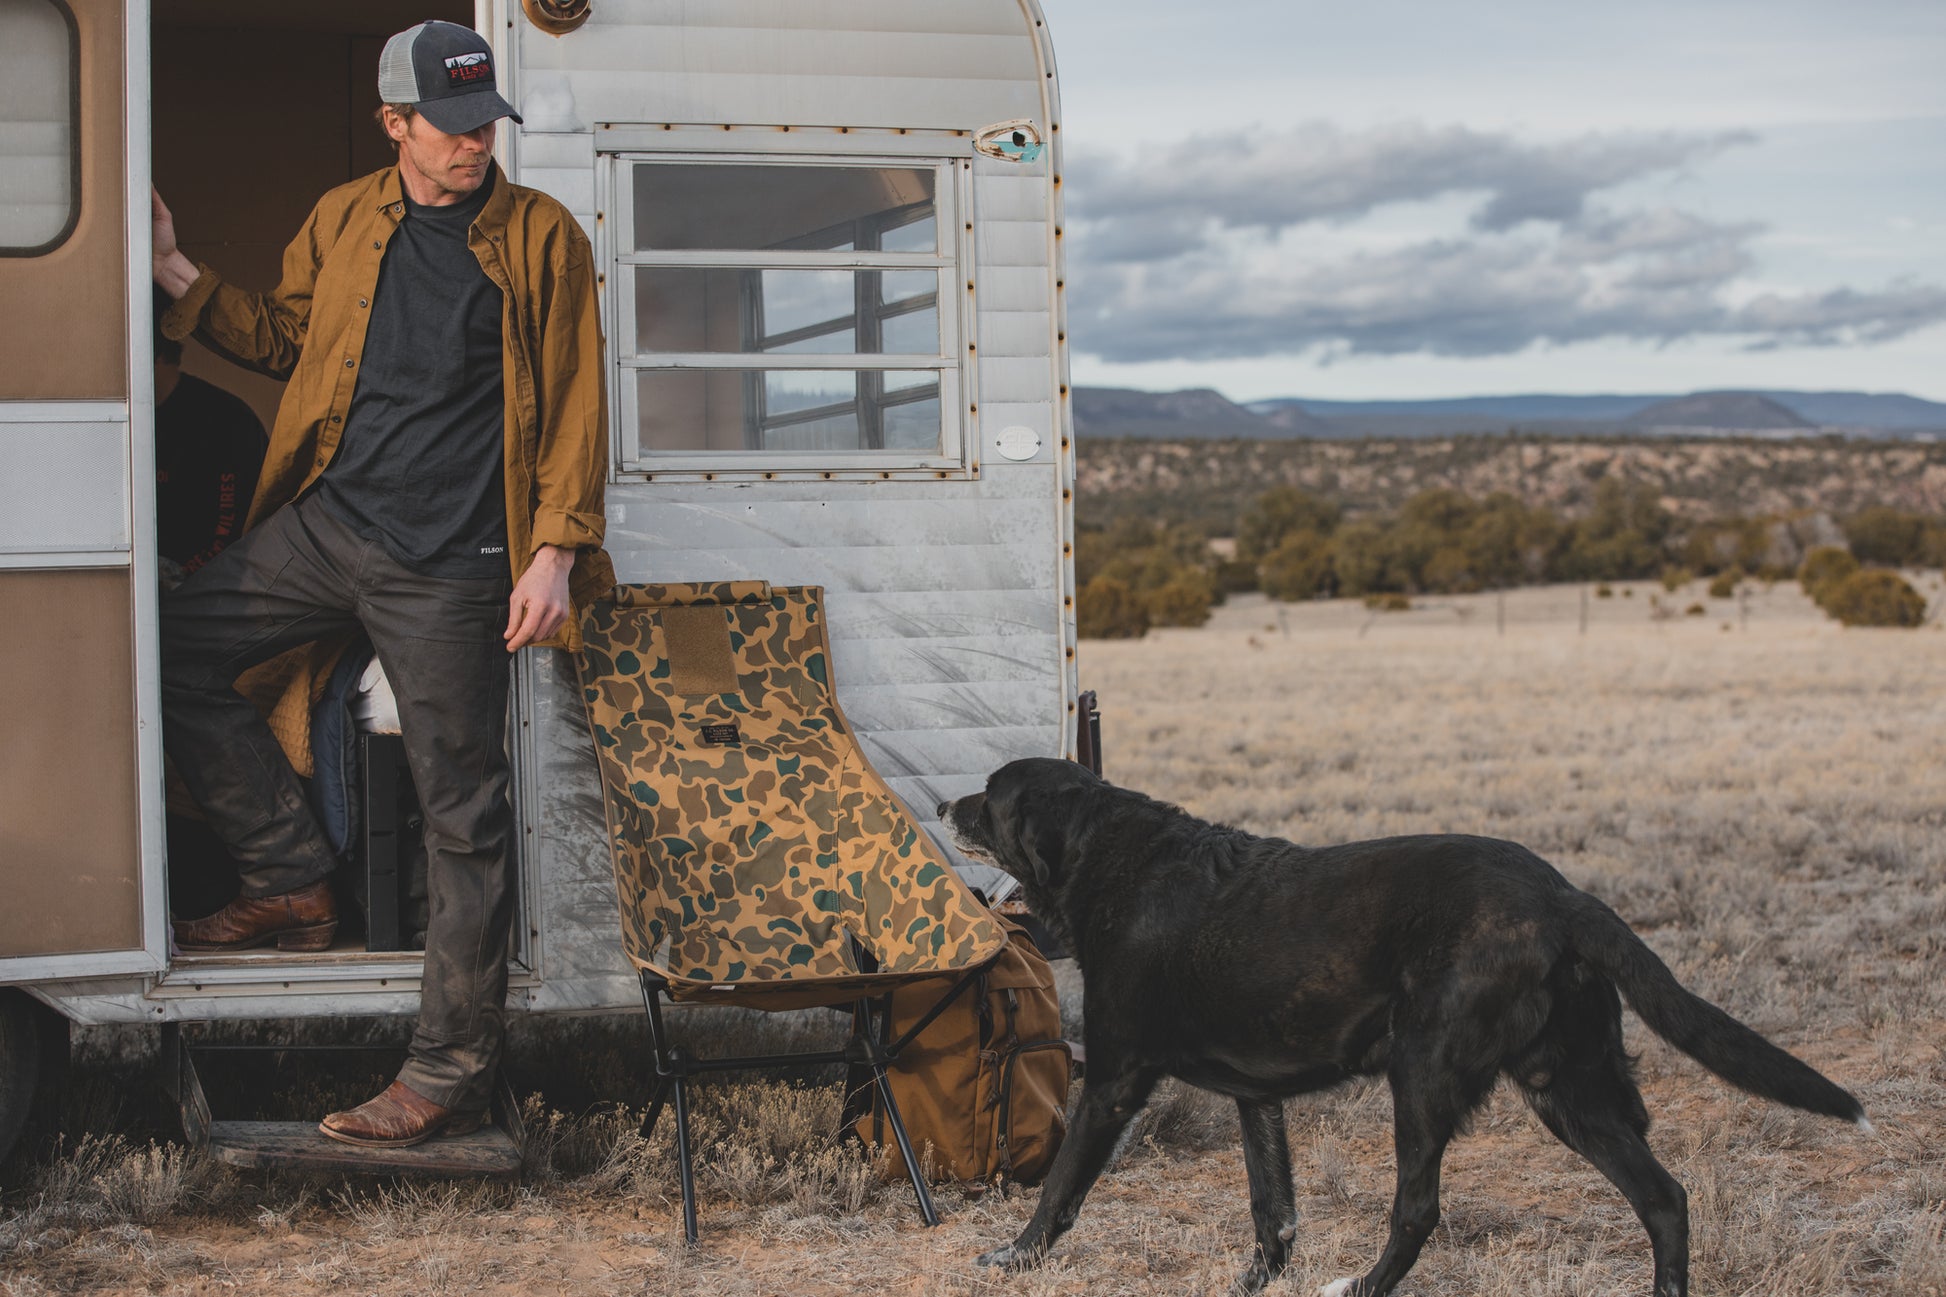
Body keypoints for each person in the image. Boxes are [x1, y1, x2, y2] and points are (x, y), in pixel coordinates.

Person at [152, 20, 613, 1148]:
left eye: (481, 123)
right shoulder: (346, 216)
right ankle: (291, 873)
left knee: (465, 815)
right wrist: (175, 271)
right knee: (165, 646)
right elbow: (284, 341)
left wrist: (553, 549)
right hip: (325, 523)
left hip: (454, 565)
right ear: (395, 124)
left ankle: (446, 1065)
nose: (471, 146)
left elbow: (572, 401)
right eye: (448, 127)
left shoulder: (542, 238)